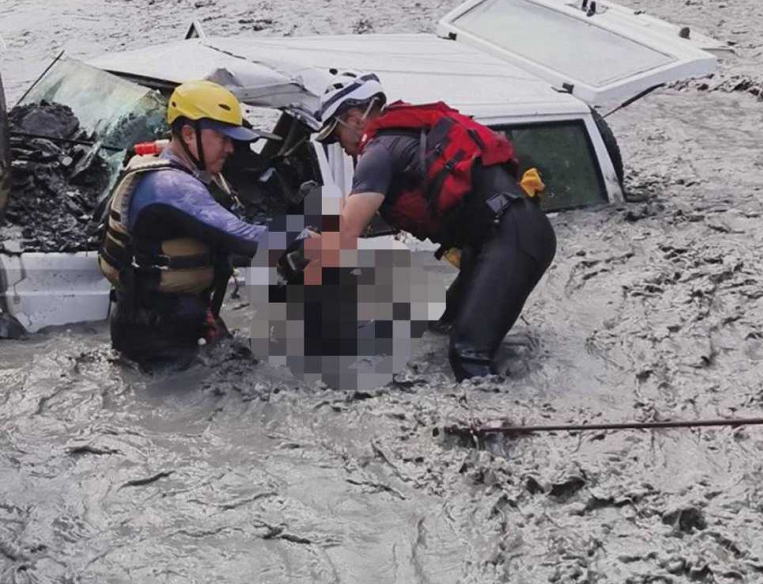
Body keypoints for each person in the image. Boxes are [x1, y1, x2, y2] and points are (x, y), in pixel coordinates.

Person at [307, 73, 557, 381]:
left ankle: (499, 426)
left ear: (354, 118)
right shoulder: (405, 134)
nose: (339, 146)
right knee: (443, 324)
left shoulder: (378, 152)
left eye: (335, 136)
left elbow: (344, 237)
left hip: (513, 238)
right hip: (499, 236)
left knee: (467, 352)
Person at [99, 80, 266, 367]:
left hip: (179, 321)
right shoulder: (169, 185)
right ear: (189, 134)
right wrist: (311, 236)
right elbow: (244, 238)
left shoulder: (180, 170)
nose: (230, 149)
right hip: (160, 341)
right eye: (223, 138)